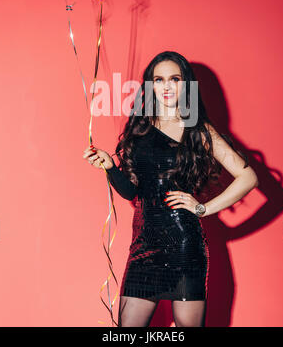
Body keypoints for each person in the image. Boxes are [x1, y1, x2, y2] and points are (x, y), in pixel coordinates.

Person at [83, 51, 258, 327]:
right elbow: (132, 194)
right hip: (143, 247)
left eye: (174, 79)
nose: (166, 86)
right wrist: (110, 168)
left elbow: (248, 178)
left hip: (184, 247)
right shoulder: (139, 129)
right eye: (159, 79)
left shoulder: (198, 130)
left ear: (185, 84)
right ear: (150, 85)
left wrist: (203, 208)